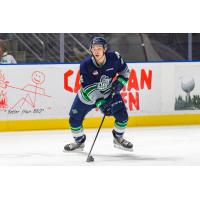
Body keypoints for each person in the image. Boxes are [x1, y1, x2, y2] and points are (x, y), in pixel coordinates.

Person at [64, 36, 133, 152]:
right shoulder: (85, 65)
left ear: (104, 49)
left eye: (99, 48)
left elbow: (125, 71)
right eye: (94, 48)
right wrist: (101, 102)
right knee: (74, 120)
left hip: (109, 93)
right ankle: (79, 142)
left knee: (122, 116)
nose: (96, 51)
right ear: (91, 49)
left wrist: (121, 82)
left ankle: (118, 139)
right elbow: (87, 87)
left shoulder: (114, 57)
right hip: (87, 97)